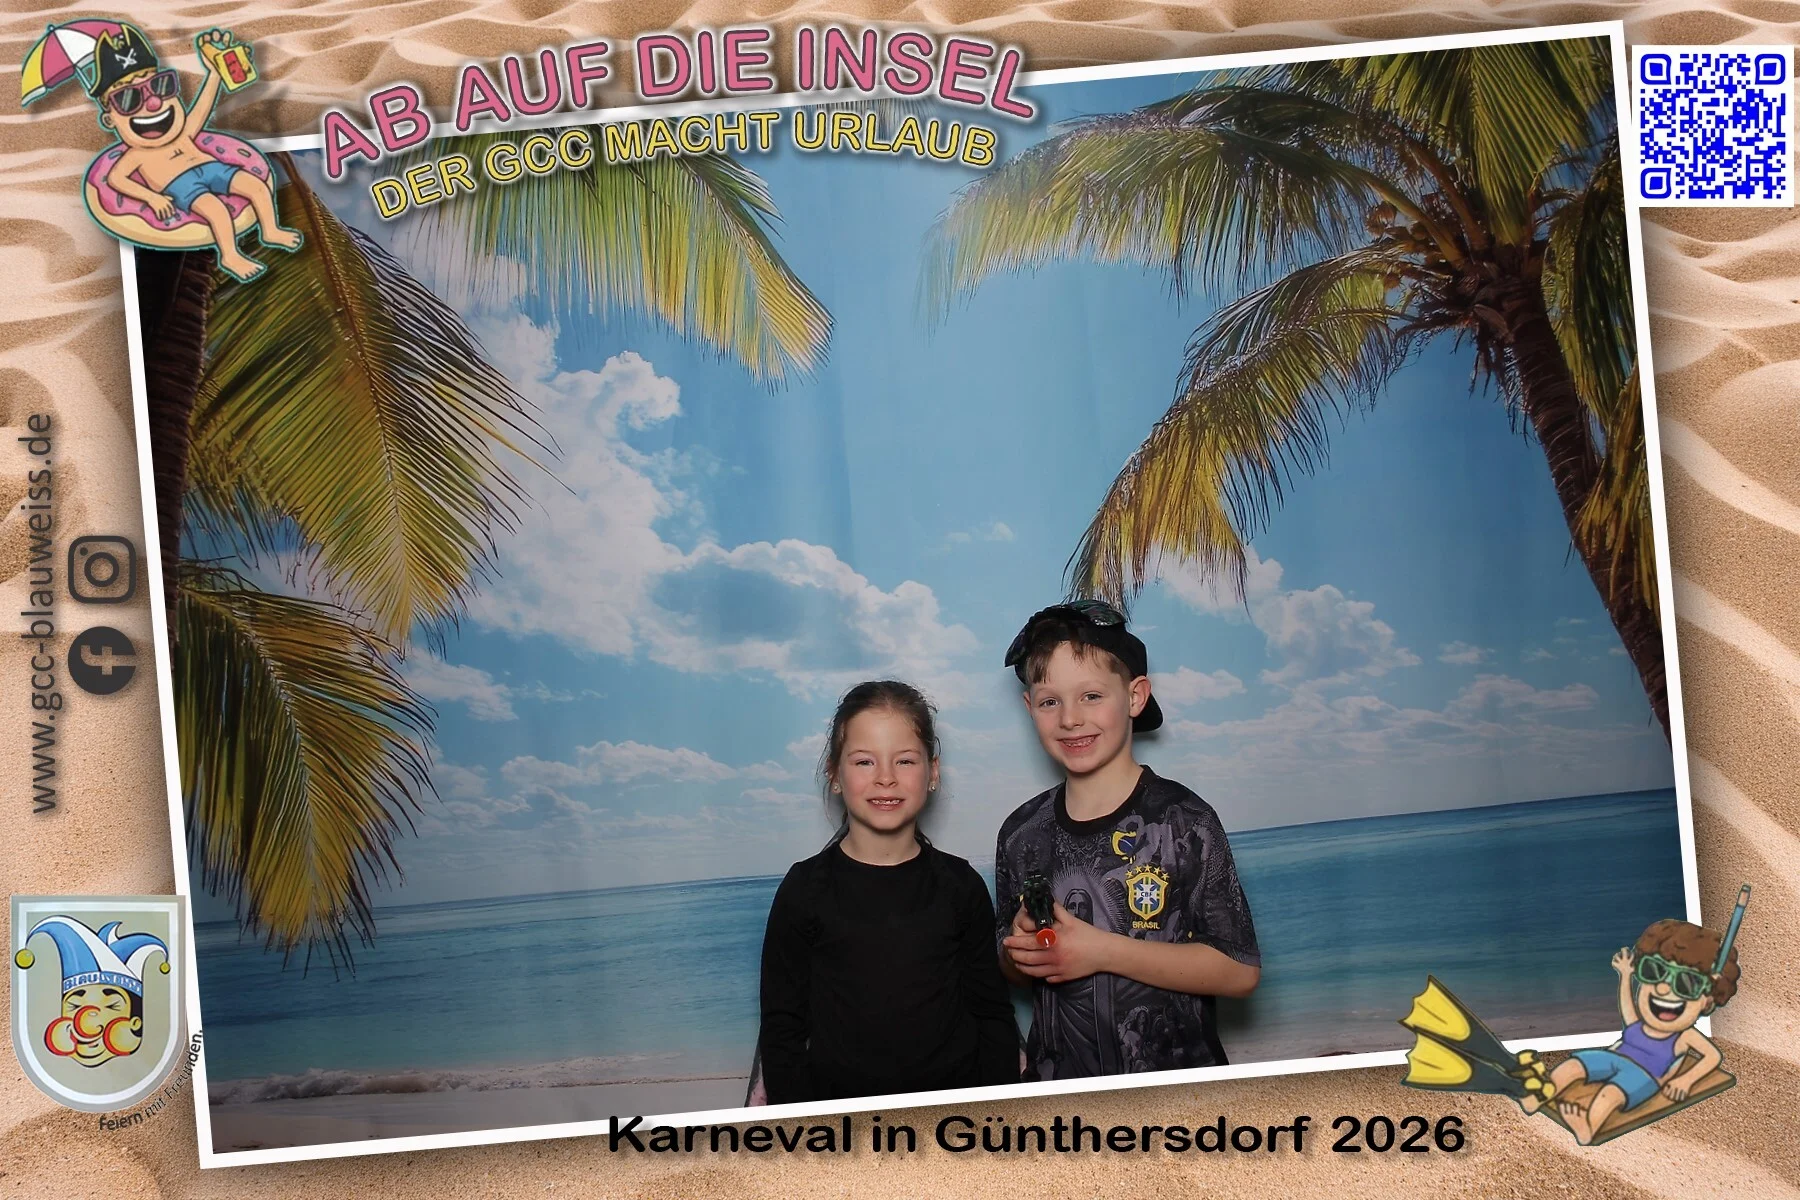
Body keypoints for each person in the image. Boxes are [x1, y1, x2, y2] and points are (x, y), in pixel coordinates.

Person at [995, 601, 1260, 1079]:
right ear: (1029, 707)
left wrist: (1100, 951)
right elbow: (1011, 969)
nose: (1070, 718)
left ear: (1135, 697)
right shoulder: (1020, 834)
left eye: (1091, 695)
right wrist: (1023, 948)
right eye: (1050, 701)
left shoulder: (1184, 821)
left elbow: (1240, 971)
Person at [756, 681, 1020, 1102]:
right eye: (864, 761)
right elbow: (781, 1032)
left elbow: (992, 1016)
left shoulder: (961, 886)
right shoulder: (804, 890)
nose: (885, 778)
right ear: (835, 774)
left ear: (932, 772)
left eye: (905, 761)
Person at [89, 25, 302, 280]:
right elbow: (116, 179)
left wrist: (214, 73)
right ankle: (230, 256)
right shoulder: (136, 154)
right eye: (128, 99)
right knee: (216, 210)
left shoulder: (184, 132)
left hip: (213, 167)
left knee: (257, 187)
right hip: (181, 184)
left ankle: (271, 230)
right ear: (110, 119)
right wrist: (152, 197)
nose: (153, 103)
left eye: (160, 85)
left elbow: (202, 108)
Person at [1525, 917, 1738, 1144]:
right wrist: (1625, 975)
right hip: (1614, 1058)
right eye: (1654, 971)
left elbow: (1712, 1056)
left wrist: (1685, 1080)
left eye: (1686, 983)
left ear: (1707, 1002)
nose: (1663, 988)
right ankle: (1537, 1097)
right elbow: (1627, 1006)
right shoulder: (1639, 1024)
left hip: (1644, 1075)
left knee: (1610, 1094)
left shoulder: (1684, 1036)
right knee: (1572, 1066)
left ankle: (1587, 1128)